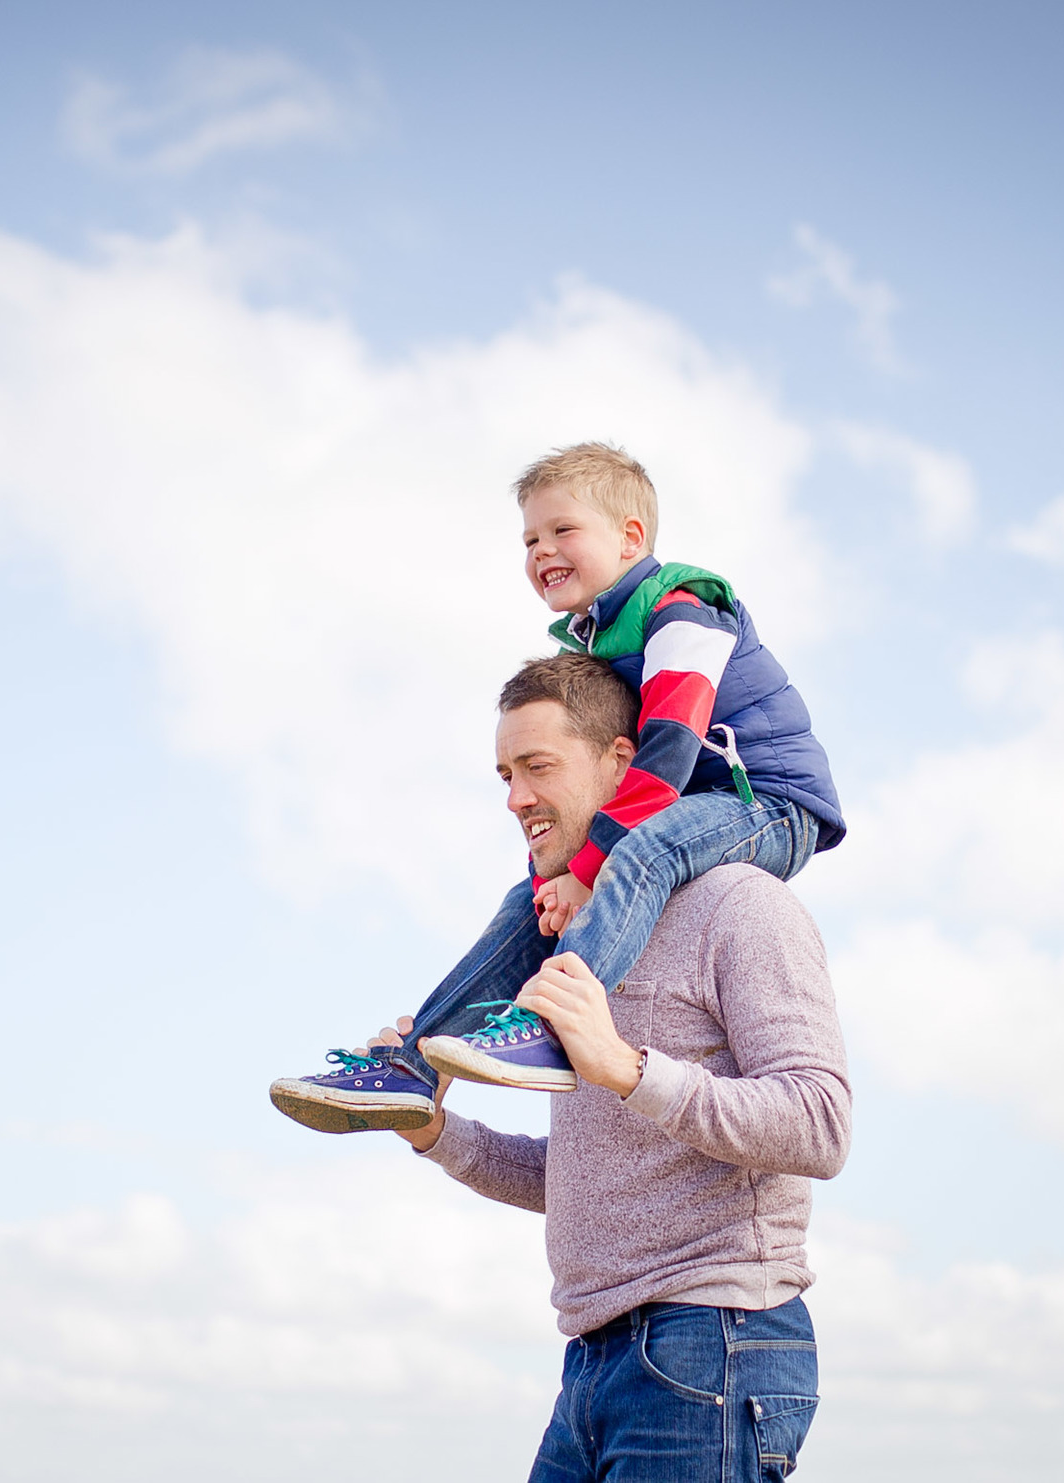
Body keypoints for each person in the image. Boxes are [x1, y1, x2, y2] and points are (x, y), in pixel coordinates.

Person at [270, 443, 844, 1132]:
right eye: (530, 538)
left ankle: (549, 1022)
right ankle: (413, 1065)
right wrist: (561, 880)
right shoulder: (595, 642)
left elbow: (666, 747)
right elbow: (598, 785)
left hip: (770, 803)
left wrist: (589, 866)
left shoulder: (684, 609)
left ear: (631, 536)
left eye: (561, 530)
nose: (542, 550)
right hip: (694, 806)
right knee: (534, 893)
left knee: (638, 852)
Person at [388, 655, 851, 1480]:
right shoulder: (577, 928)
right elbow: (584, 1174)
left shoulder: (740, 903)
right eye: (504, 774)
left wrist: (628, 1068)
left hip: (715, 1341)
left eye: (537, 767)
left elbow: (820, 1123)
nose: (515, 798)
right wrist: (434, 1132)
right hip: (595, 1363)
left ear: (623, 762)